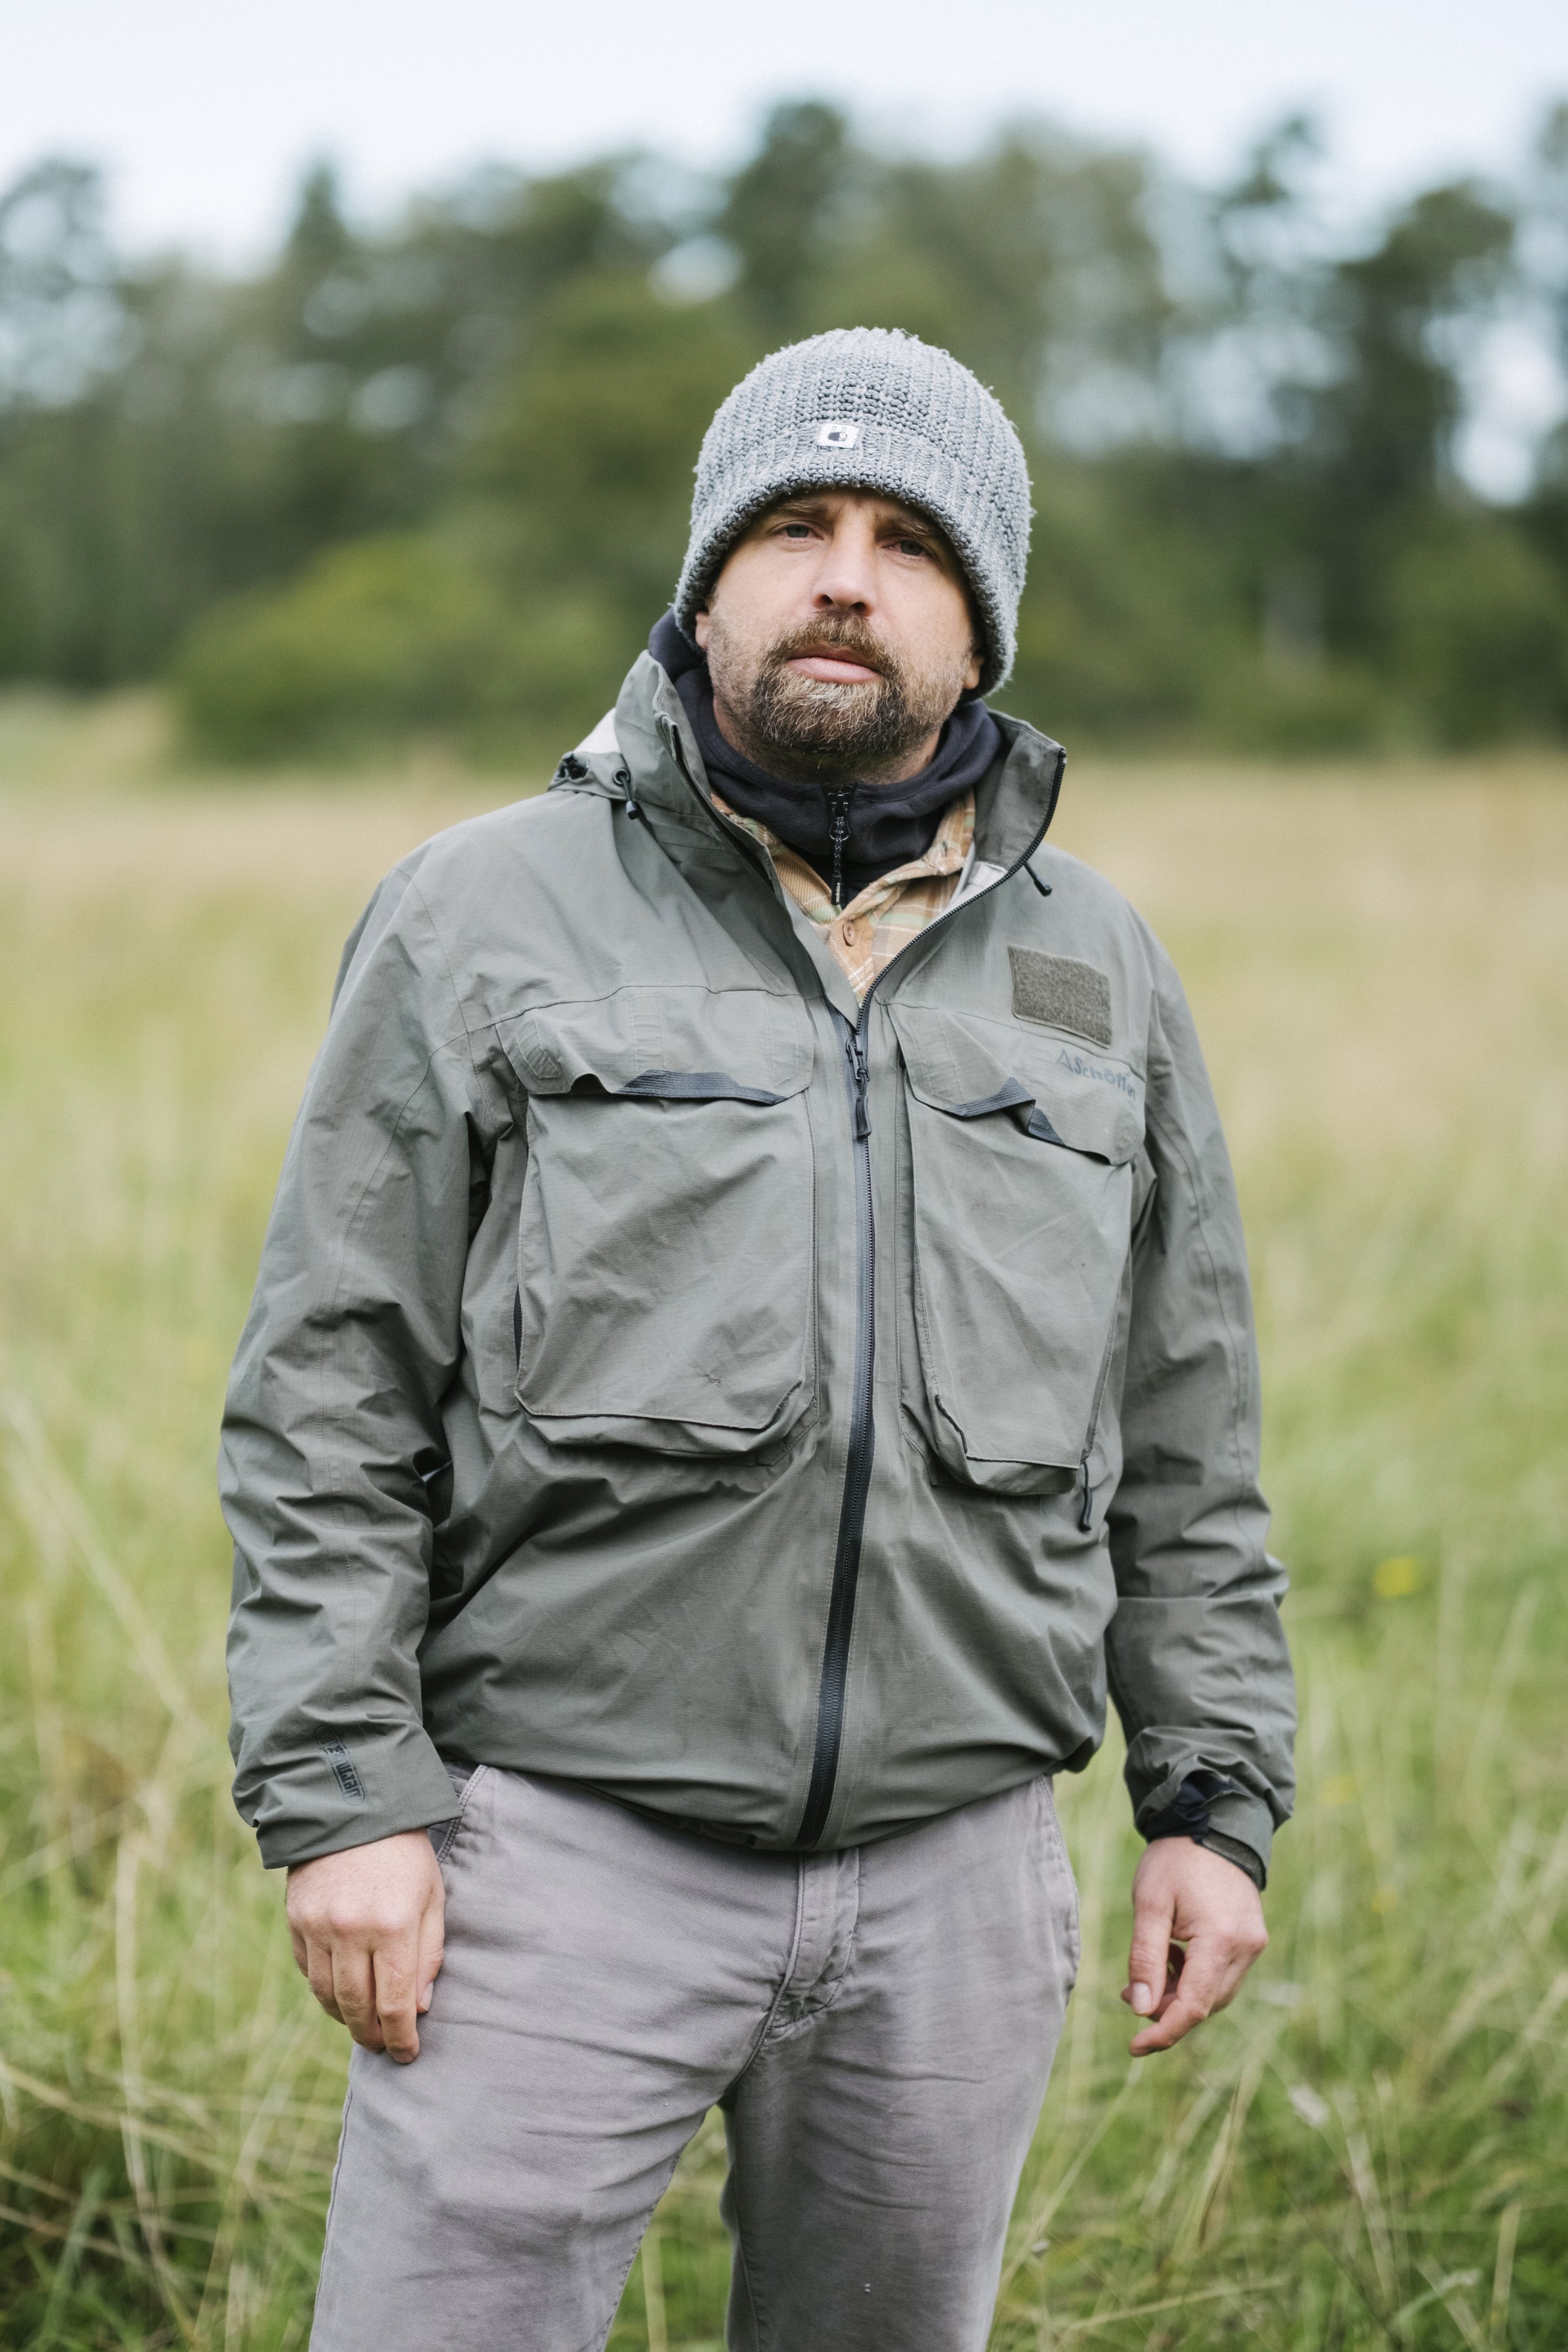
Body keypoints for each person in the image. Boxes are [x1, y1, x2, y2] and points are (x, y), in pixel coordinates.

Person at [221, 327, 1295, 2352]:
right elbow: (328, 1389)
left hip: (960, 1882)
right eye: (791, 527)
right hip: (549, 1858)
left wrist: (1207, 1799)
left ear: (973, 628)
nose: (841, 576)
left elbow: (1184, 1425)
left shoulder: (1096, 970)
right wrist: (350, 1800)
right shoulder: (479, 913)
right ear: (705, 585)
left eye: (905, 543)